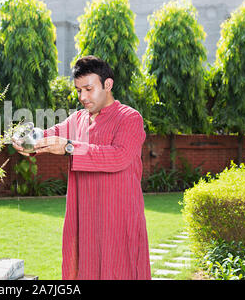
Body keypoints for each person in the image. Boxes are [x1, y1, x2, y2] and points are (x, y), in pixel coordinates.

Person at [13, 55, 151, 280]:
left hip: (118, 217)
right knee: (83, 270)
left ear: (108, 84)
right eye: (78, 90)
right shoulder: (78, 120)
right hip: (85, 218)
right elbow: (50, 135)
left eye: (88, 89)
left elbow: (120, 156)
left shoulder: (129, 118)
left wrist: (69, 147)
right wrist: (27, 141)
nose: (82, 97)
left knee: (120, 269)